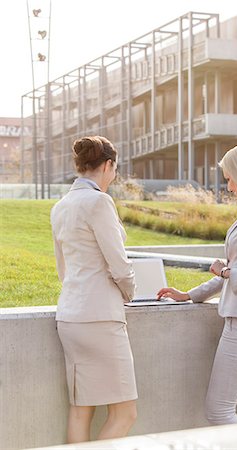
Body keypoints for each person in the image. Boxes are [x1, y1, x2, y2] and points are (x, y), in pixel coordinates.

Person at [157, 144, 237, 425]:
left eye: (229, 178)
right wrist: (190, 295)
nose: (228, 187)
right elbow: (236, 267)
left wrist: (228, 273)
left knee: (219, 410)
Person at [51, 136, 137, 443]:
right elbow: (119, 264)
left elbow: (63, 269)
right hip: (100, 317)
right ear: (109, 165)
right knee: (125, 413)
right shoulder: (99, 201)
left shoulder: (61, 206)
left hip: (70, 316)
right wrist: (130, 293)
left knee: (80, 409)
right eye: (114, 169)